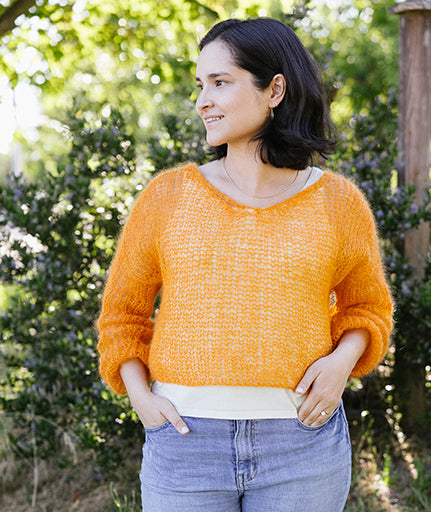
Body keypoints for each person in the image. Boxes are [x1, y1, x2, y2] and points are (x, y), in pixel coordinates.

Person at [97, 17, 393, 512]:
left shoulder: (338, 203)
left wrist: (342, 364)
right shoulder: (168, 197)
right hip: (184, 443)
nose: (202, 101)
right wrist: (142, 401)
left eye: (220, 82)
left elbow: (368, 310)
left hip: (302, 443)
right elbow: (121, 316)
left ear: (274, 89)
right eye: (200, 85)